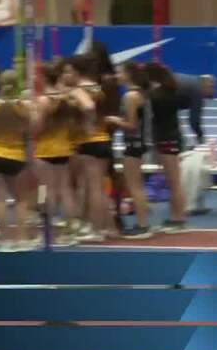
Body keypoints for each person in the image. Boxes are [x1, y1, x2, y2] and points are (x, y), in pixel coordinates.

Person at [63, 54, 115, 243]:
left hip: (90, 141)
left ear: (77, 72)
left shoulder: (80, 90)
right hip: (103, 139)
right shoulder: (96, 87)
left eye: (69, 71)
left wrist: (88, 124)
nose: (66, 75)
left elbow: (89, 106)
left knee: (94, 189)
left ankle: (97, 229)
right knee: (99, 187)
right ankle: (108, 227)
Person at [33, 60, 83, 246]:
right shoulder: (66, 99)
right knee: (65, 189)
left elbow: (37, 127)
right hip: (64, 148)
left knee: (49, 190)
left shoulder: (44, 100)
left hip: (46, 149)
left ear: (44, 78)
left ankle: (49, 233)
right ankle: (70, 231)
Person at [0, 70, 32, 250]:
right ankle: (22, 239)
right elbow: (28, 131)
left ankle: (4, 239)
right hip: (15, 155)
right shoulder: (23, 106)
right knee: (21, 199)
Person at [146, 62, 192, 232]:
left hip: (166, 139)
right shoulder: (171, 91)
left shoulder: (155, 96)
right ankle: (176, 217)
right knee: (174, 182)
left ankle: (179, 219)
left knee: (174, 182)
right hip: (172, 137)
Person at [111, 62, 153, 238]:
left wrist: (115, 121)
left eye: (119, 72)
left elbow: (132, 125)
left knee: (135, 186)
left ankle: (143, 225)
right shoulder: (140, 93)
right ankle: (143, 223)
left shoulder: (130, 96)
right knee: (137, 186)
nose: (116, 76)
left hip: (134, 143)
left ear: (128, 74)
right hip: (139, 143)